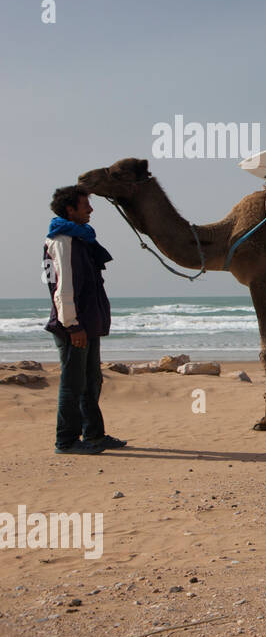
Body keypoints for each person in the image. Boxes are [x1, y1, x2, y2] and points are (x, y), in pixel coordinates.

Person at [43, 186, 124, 455]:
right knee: (73, 384)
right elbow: (62, 288)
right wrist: (73, 325)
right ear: (70, 210)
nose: (90, 209)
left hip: (88, 322)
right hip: (73, 326)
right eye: (84, 205)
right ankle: (66, 441)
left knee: (92, 381)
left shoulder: (81, 239)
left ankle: (94, 435)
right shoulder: (62, 240)